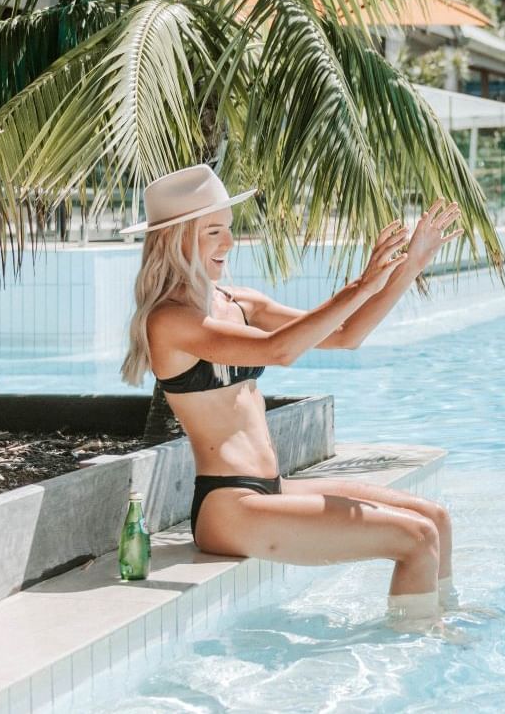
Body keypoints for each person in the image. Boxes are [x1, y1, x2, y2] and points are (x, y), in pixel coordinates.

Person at [119, 164, 466, 627]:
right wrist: (361, 285)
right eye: (214, 232)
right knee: (416, 537)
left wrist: (411, 265)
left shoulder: (238, 302)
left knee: (435, 518)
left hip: (272, 487)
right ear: (177, 238)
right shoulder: (169, 321)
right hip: (228, 506)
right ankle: (416, 647)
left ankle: (443, 623)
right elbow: (278, 350)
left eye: (229, 229)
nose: (228, 243)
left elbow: (346, 336)